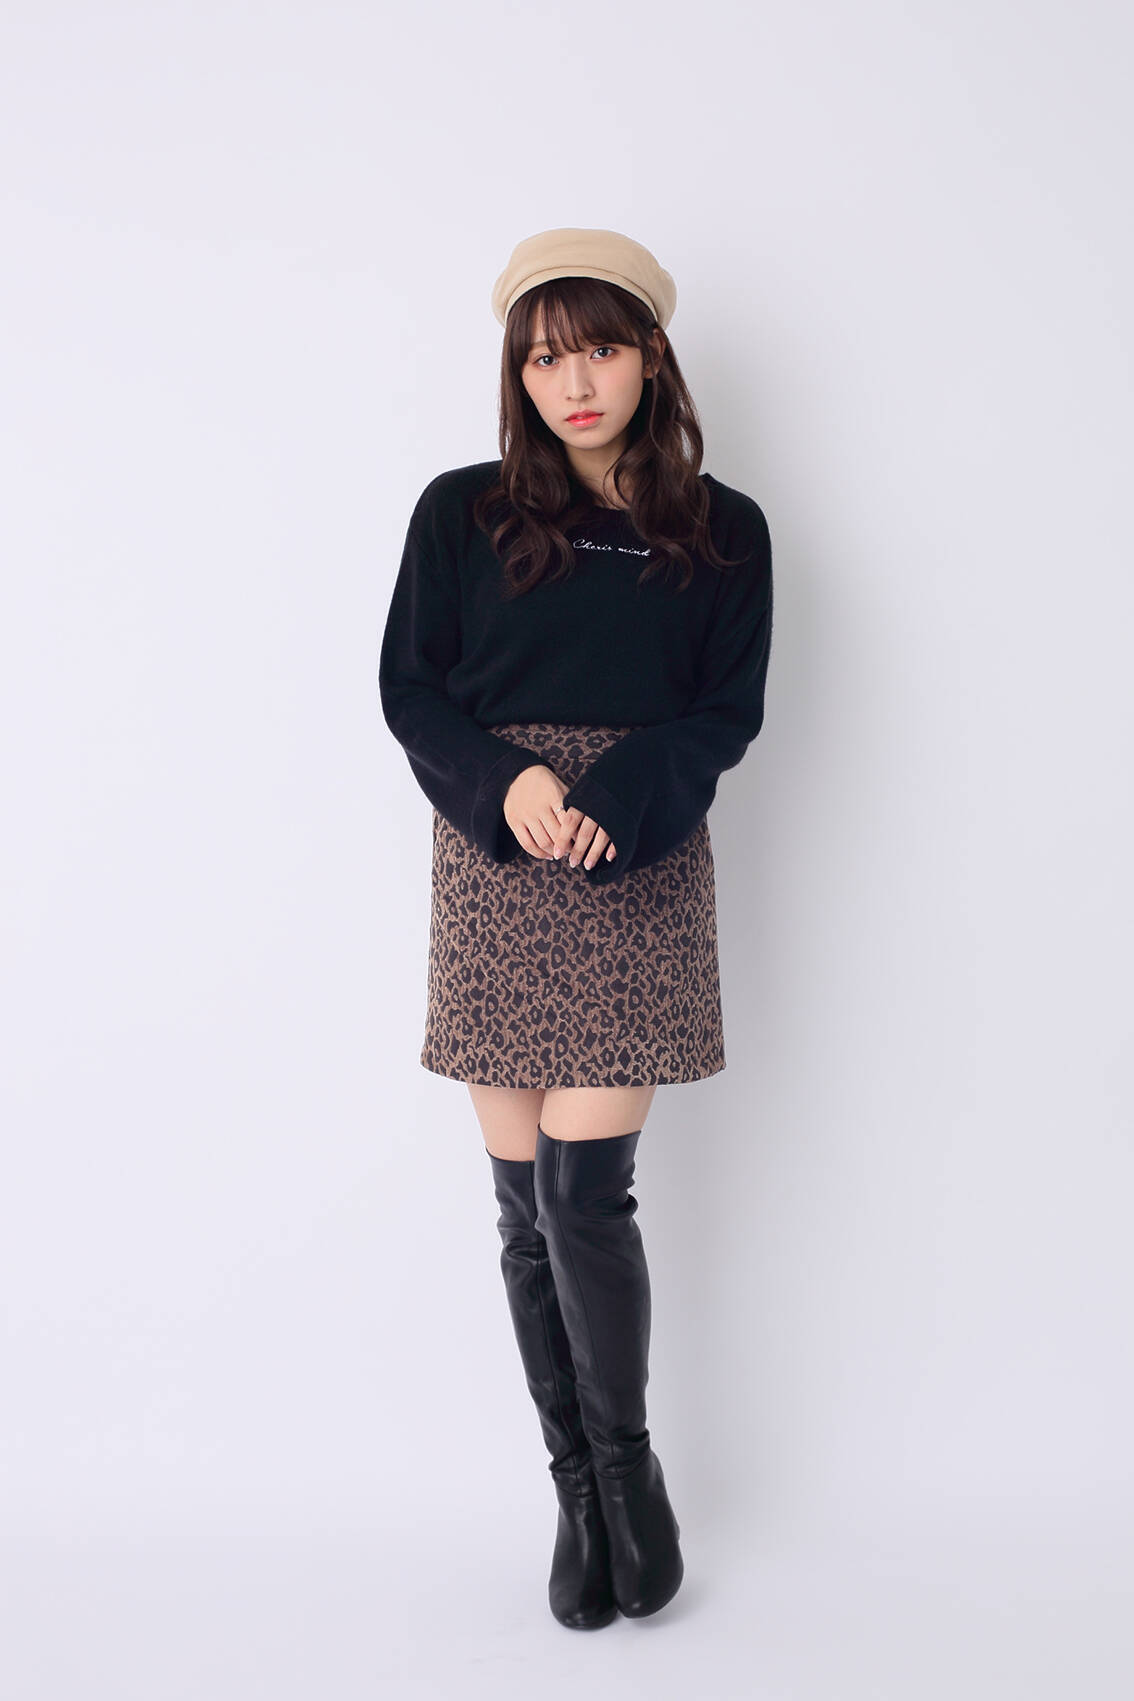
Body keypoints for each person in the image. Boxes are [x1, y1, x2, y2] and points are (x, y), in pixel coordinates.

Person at [378, 227, 774, 1629]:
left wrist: (617, 789)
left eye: (599, 349)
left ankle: (628, 1471)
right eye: (546, 359)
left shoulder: (724, 528)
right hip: (499, 860)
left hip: (635, 859)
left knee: (580, 1196)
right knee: (520, 1212)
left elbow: (724, 712)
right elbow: (410, 690)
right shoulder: (461, 511)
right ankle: (575, 1494)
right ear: (520, 373)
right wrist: (509, 782)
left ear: (650, 353)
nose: (576, 383)